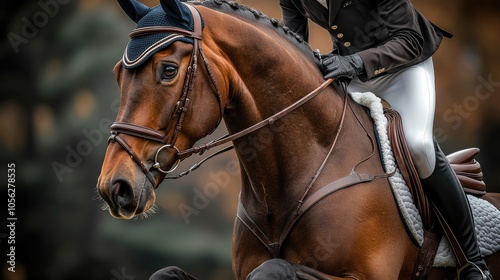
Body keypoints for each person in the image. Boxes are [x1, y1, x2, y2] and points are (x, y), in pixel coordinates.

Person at [280, 0, 492, 279]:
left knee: (419, 146)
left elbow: (411, 39)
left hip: (403, 67)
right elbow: (294, 43)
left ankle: (472, 260)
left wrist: (355, 62)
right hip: (349, 69)